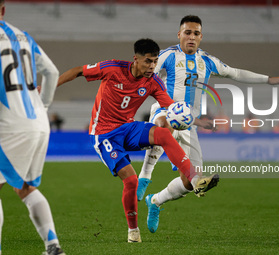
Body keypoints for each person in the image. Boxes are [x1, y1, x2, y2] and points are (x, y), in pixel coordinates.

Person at [138, 15, 279, 233]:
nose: (191, 37)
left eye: (195, 33)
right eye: (187, 32)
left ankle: (154, 201)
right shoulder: (168, 55)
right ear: (179, 34)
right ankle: (145, 175)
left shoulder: (207, 61)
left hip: (189, 123)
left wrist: (268, 79)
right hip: (165, 110)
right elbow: (145, 74)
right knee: (164, 125)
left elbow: (236, 73)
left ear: (201, 36)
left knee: (191, 182)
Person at [56, 38, 218, 243]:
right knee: (130, 180)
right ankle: (133, 230)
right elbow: (78, 70)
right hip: (103, 134)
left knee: (163, 134)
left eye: (155, 61)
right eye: (148, 61)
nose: (152, 66)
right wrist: (51, 87)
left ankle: (195, 179)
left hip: (127, 128)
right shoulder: (112, 68)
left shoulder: (153, 81)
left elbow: (170, 107)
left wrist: (192, 120)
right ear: (136, 59)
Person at [0, 1, 65, 255]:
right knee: (25, 187)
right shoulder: (23, 36)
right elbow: (52, 72)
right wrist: (43, 107)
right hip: (38, 122)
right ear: (3, 10)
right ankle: (53, 246)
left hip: (9, 126)